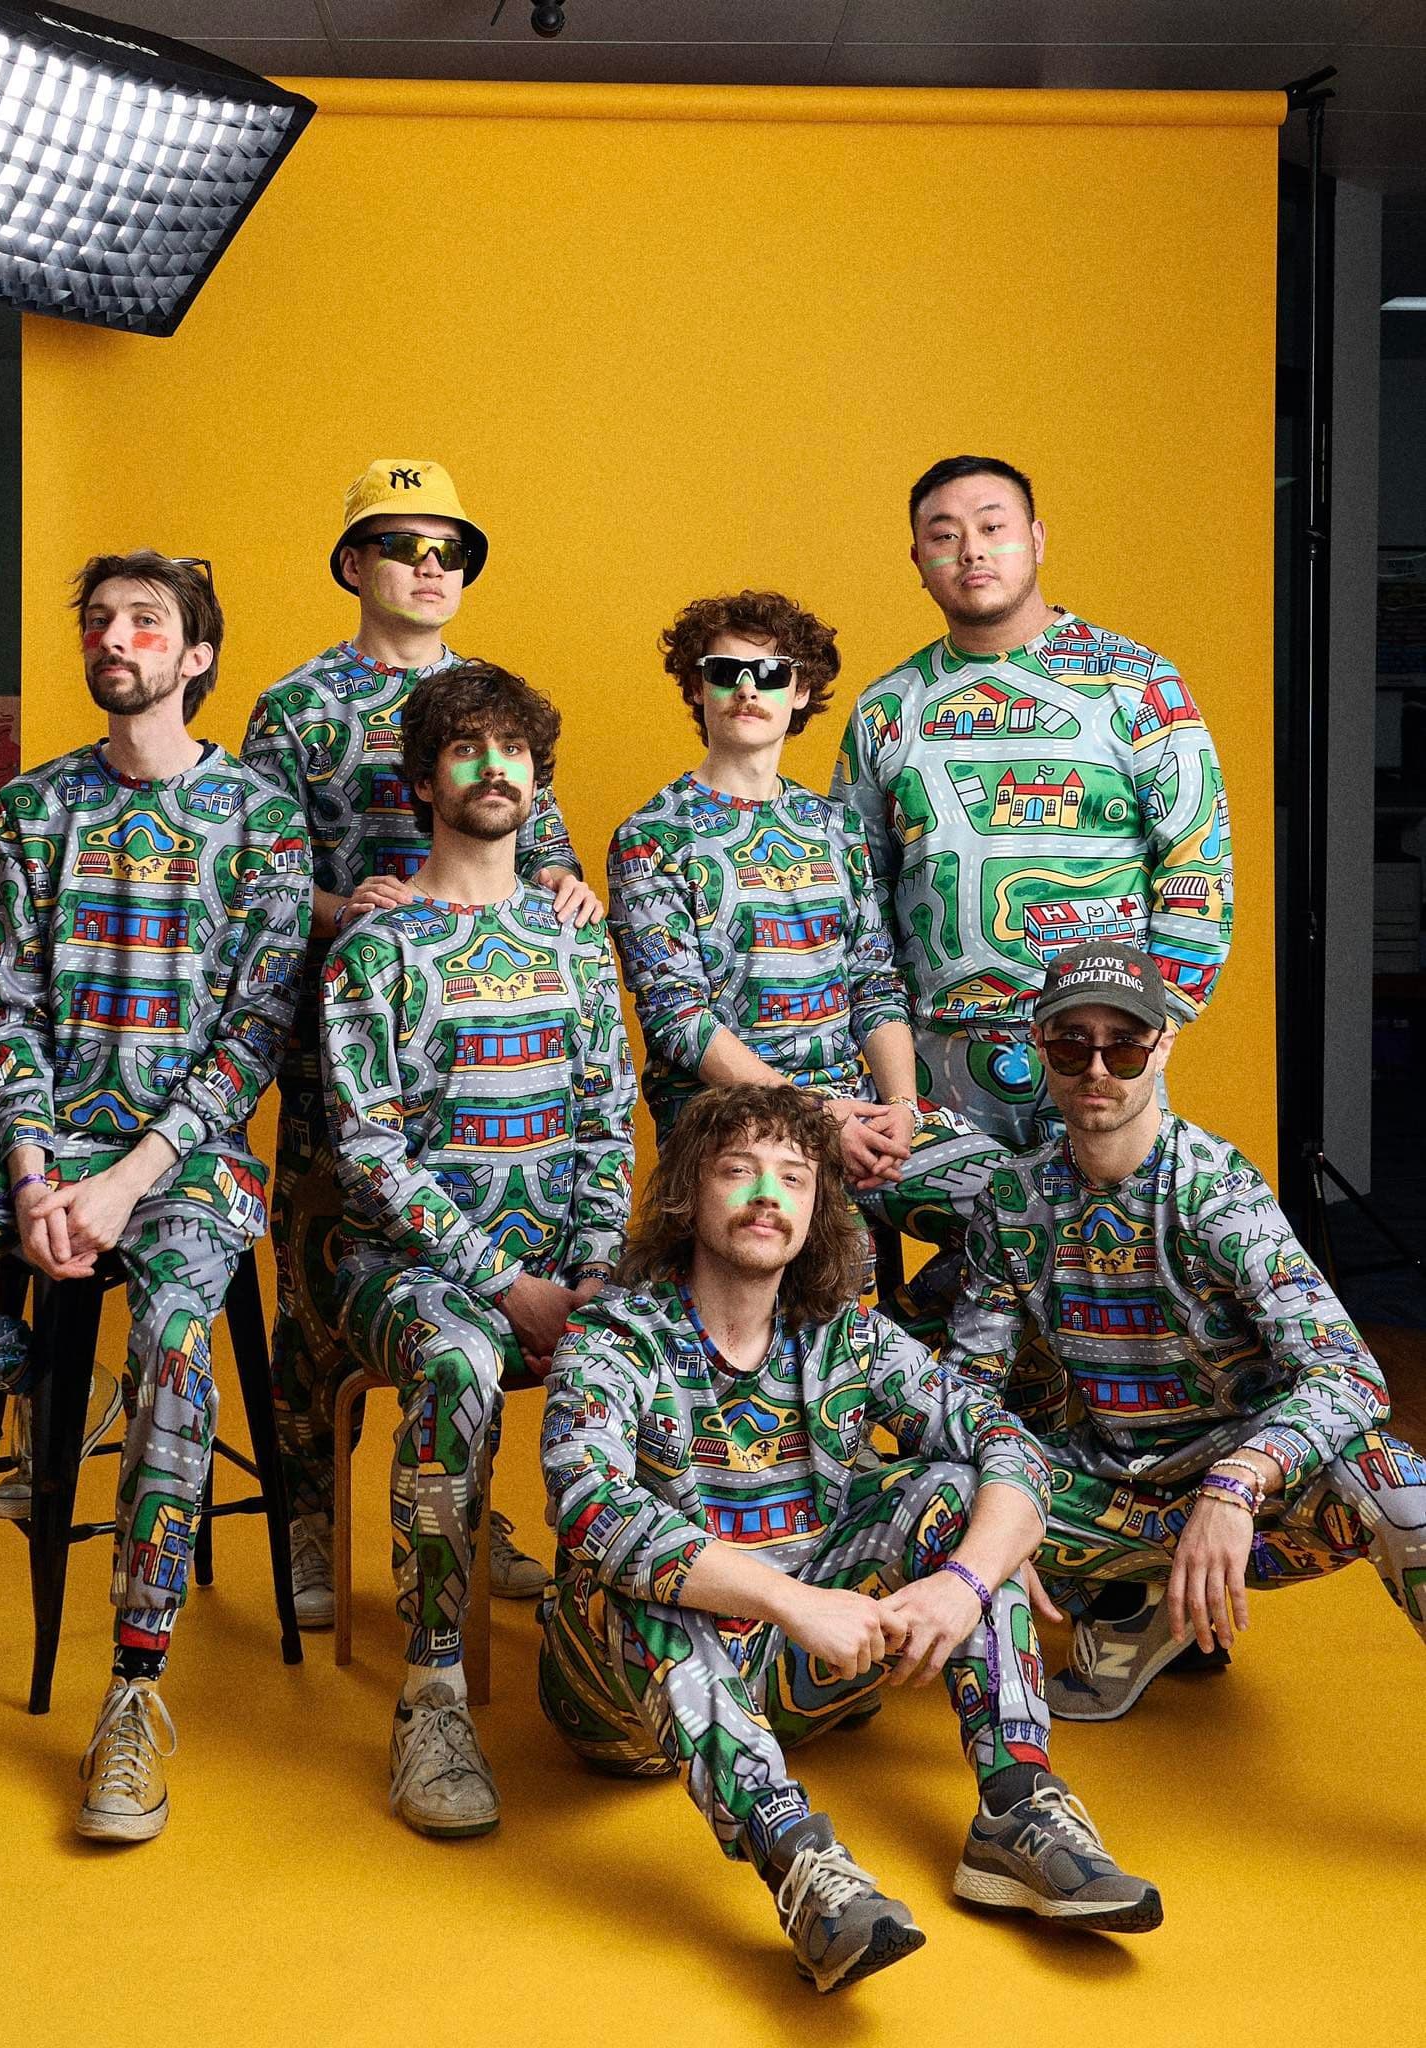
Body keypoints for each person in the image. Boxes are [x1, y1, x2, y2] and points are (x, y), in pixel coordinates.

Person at [0, 552, 310, 1840]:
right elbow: (10, 1012)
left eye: (144, 620)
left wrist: (128, 1180)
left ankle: (134, 1688)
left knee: (175, 1347)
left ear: (196, 655)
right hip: (37, 1132)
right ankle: (49, 1382)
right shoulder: (36, 806)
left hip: (190, 1156)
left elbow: (253, 1036)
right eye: (98, 620)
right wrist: (35, 1177)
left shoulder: (261, 817)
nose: (114, 637)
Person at [538, 1084, 1160, 1995]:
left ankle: (1017, 1808)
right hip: (629, 1705)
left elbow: (1007, 1444)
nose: (768, 1196)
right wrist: (792, 1600)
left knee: (961, 1494)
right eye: (739, 1170)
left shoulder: (847, 1337)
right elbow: (590, 1506)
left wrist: (969, 1576)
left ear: (817, 1206)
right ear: (689, 1194)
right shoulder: (614, 1338)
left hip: (801, 1672)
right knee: (636, 1581)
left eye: (794, 1178)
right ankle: (802, 1869)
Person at [242, 459, 595, 1626]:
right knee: (317, 1301)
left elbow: (545, 840)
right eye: (404, 545)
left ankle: (465, 1514)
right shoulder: (296, 709)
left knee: (481, 1295)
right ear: (354, 564)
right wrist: (350, 911)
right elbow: (258, 883)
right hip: (351, 1046)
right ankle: (308, 1517)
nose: (432, 566)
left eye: (452, 550)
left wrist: (561, 883)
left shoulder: (493, 704)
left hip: (491, 1039)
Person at [942, 942, 1424, 1721]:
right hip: (1106, 1483)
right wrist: (995, 1512)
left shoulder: (1216, 1192)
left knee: (1399, 1486)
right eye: (1072, 1045)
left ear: (1162, 1046)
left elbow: (1352, 1375)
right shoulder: (1013, 1200)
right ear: (1039, 1048)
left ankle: (1149, 1604)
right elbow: (965, 1391)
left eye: (1125, 1046)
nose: (1098, 1068)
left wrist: (1238, 1481)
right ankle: (1130, 1615)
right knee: (940, 1487)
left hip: (1253, 1498)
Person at [321, 660, 634, 1838]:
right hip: (401, 1271)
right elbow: (369, 1155)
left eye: (513, 749)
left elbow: (608, 1125)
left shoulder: (574, 940)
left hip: (562, 1263)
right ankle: (433, 1692)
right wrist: (508, 1286)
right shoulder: (376, 949)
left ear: (536, 778)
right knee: (458, 1360)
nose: (493, 767)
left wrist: (591, 1272)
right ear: (422, 779)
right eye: (466, 747)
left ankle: (640, 1652)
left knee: (685, 1324)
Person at [607, 589, 1009, 1297]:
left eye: (770, 673)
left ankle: (905, 1343)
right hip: (735, 1125)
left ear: (800, 692)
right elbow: (679, 1021)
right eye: (725, 671)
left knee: (1028, 1211)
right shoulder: (653, 837)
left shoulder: (835, 828)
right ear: (696, 689)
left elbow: (874, 983)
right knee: (832, 1281)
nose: (747, 689)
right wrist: (817, 1117)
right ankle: (859, 1342)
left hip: (859, 1106)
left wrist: (903, 1109)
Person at [832, 454, 1232, 1150]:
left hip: (1098, 1054)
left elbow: (1198, 861)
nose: (972, 550)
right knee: (957, 1220)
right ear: (918, 561)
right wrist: (885, 1060)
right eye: (945, 535)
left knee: (1098, 1217)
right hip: (932, 1059)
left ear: (1037, 540)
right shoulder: (886, 708)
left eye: (993, 527)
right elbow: (856, 893)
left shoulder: (1136, 683)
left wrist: (1145, 1030)